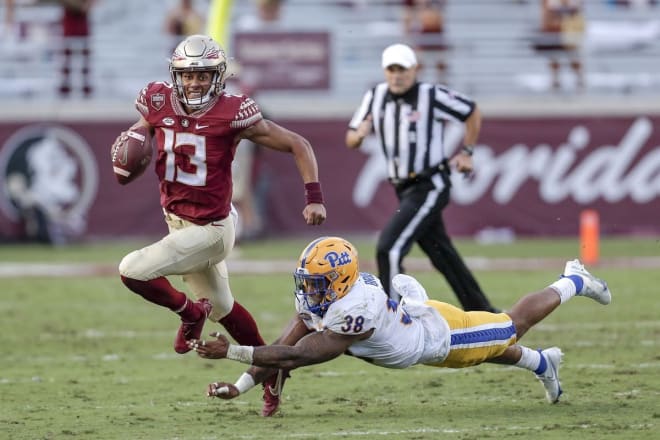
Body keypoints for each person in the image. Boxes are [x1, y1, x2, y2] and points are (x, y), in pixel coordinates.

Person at [113, 34, 326, 416]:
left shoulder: (233, 112)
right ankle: (272, 374)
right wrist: (131, 147)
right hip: (179, 226)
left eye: (203, 74)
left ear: (219, 76)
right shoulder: (157, 100)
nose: (195, 82)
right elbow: (141, 130)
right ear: (175, 76)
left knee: (132, 270)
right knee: (226, 310)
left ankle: (189, 312)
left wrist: (313, 197)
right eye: (188, 75)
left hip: (212, 230)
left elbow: (299, 144)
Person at [187, 236, 612, 415]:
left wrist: (233, 352)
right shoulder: (331, 297)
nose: (308, 291)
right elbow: (285, 343)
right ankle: (542, 365)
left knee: (509, 327)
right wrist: (240, 385)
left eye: (316, 283)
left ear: (339, 280)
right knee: (485, 350)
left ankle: (574, 278)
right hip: (416, 332)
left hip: (435, 336)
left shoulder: (353, 309)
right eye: (307, 282)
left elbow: (296, 357)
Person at [345, 43, 497, 312]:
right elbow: (352, 137)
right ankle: (484, 312)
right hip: (403, 187)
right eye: (391, 69)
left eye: (402, 69)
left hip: (430, 184)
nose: (396, 75)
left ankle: (389, 317)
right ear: (384, 70)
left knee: (388, 249)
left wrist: (467, 151)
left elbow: (471, 111)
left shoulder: (431, 95)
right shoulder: (375, 96)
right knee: (442, 254)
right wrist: (359, 134)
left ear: (415, 69)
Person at [534, 0, 585, 90]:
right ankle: (555, 80)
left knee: (573, 55)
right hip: (554, 29)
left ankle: (579, 79)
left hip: (570, 29)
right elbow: (546, 11)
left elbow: (577, 9)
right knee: (554, 56)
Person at [58, 0, 94, 98]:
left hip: (81, 22)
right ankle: (65, 88)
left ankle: (85, 87)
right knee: (67, 56)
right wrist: (81, 6)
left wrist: (86, 5)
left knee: (85, 56)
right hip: (70, 22)